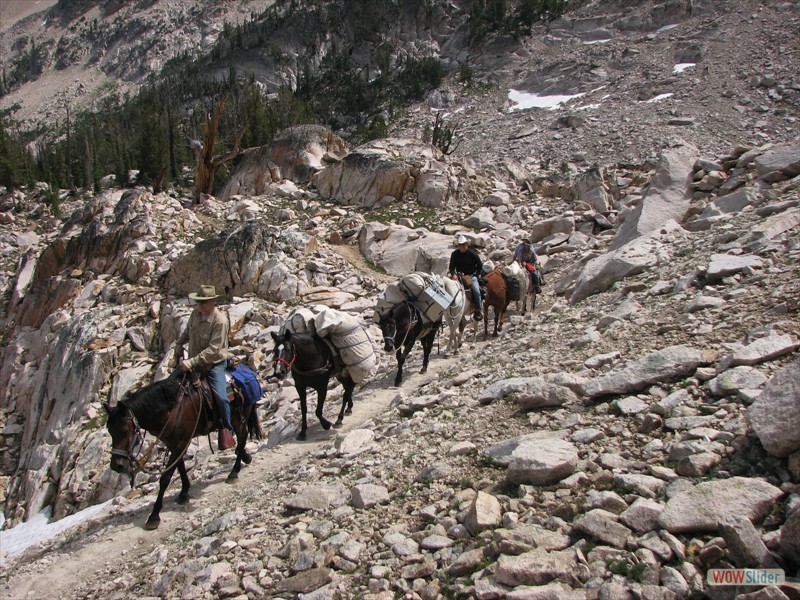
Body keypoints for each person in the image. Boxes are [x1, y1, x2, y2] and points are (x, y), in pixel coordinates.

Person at [173, 284, 235, 448]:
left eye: (204, 302)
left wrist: (190, 362)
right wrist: (179, 344)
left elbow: (214, 350)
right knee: (170, 387)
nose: (200, 305)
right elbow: (187, 331)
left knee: (221, 398)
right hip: (193, 363)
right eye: (199, 301)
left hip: (213, 364)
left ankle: (228, 428)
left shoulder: (220, 321)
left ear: (213, 301)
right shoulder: (195, 314)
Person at [448, 234, 484, 321]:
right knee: (447, 288)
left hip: (470, 276)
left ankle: (478, 310)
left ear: (467, 244)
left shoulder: (473, 254)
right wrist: (453, 274)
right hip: (459, 276)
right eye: (460, 245)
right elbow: (451, 267)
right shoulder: (454, 254)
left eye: (463, 244)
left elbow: (480, 266)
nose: (461, 246)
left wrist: (476, 275)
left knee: (476, 291)